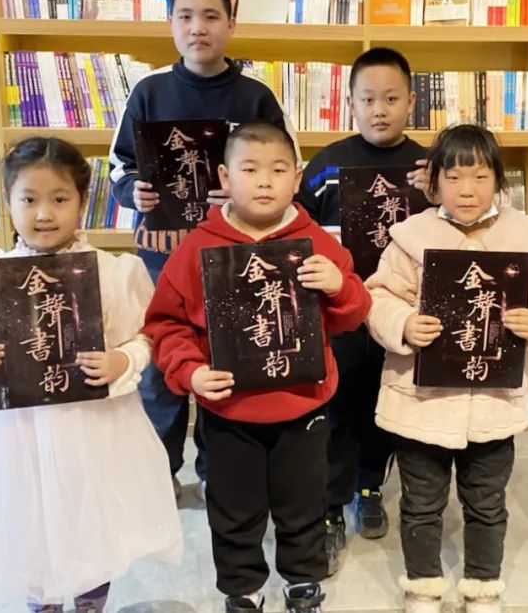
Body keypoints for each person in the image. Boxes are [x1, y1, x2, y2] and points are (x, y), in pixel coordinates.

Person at [0, 137, 182, 613]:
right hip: (17, 434)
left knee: (92, 524)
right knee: (30, 522)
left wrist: (122, 361)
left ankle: (90, 604)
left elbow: (144, 339)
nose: (44, 213)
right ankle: (43, 604)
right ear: (8, 200)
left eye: (59, 199)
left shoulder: (115, 273)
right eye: (29, 199)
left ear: (82, 200)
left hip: (95, 428)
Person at [143, 121, 370, 613]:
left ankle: (303, 583)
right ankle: (242, 590)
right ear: (225, 177)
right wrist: (190, 372)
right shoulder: (196, 247)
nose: (265, 181)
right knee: (233, 508)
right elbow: (165, 325)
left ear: (297, 178)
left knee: (303, 503)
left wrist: (338, 286)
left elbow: (353, 314)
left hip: (304, 406)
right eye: (249, 169)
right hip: (229, 410)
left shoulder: (317, 244)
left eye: (278, 170)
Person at [364, 125, 528, 613]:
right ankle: (422, 586)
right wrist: (402, 323)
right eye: (453, 177)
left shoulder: (526, 236)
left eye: (480, 176)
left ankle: (482, 586)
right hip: (422, 404)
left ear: (498, 180)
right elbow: (379, 296)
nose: (467, 190)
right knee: (421, 502)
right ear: (434, 183)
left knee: (486, 501)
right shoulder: (410, 237)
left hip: (494, 402)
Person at [108, 0, 298, 497]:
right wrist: (132, 193)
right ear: (171, 24)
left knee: (226, 363)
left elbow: (287, 169)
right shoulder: (148, 92)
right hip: (162, 261)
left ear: (231, 25)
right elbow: (119, 164)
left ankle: (221, 473)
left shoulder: (255, 98)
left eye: (211, 16)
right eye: (186, 16)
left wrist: (244, 193)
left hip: (235, 258)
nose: (198, 28)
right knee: (160, 370)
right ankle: (160, 473)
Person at [296, 47, 427, 574]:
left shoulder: (428, 166)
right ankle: (330, 505)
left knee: (384, 406)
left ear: (411, 101)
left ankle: (369, 486)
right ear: (350, 103)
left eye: (391, 98)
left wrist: (436, 192)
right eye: (368, 99)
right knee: (338, 410)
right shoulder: (327, 164)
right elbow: (297, 227)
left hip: (402, 313)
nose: (380, 109)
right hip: (341, 312)